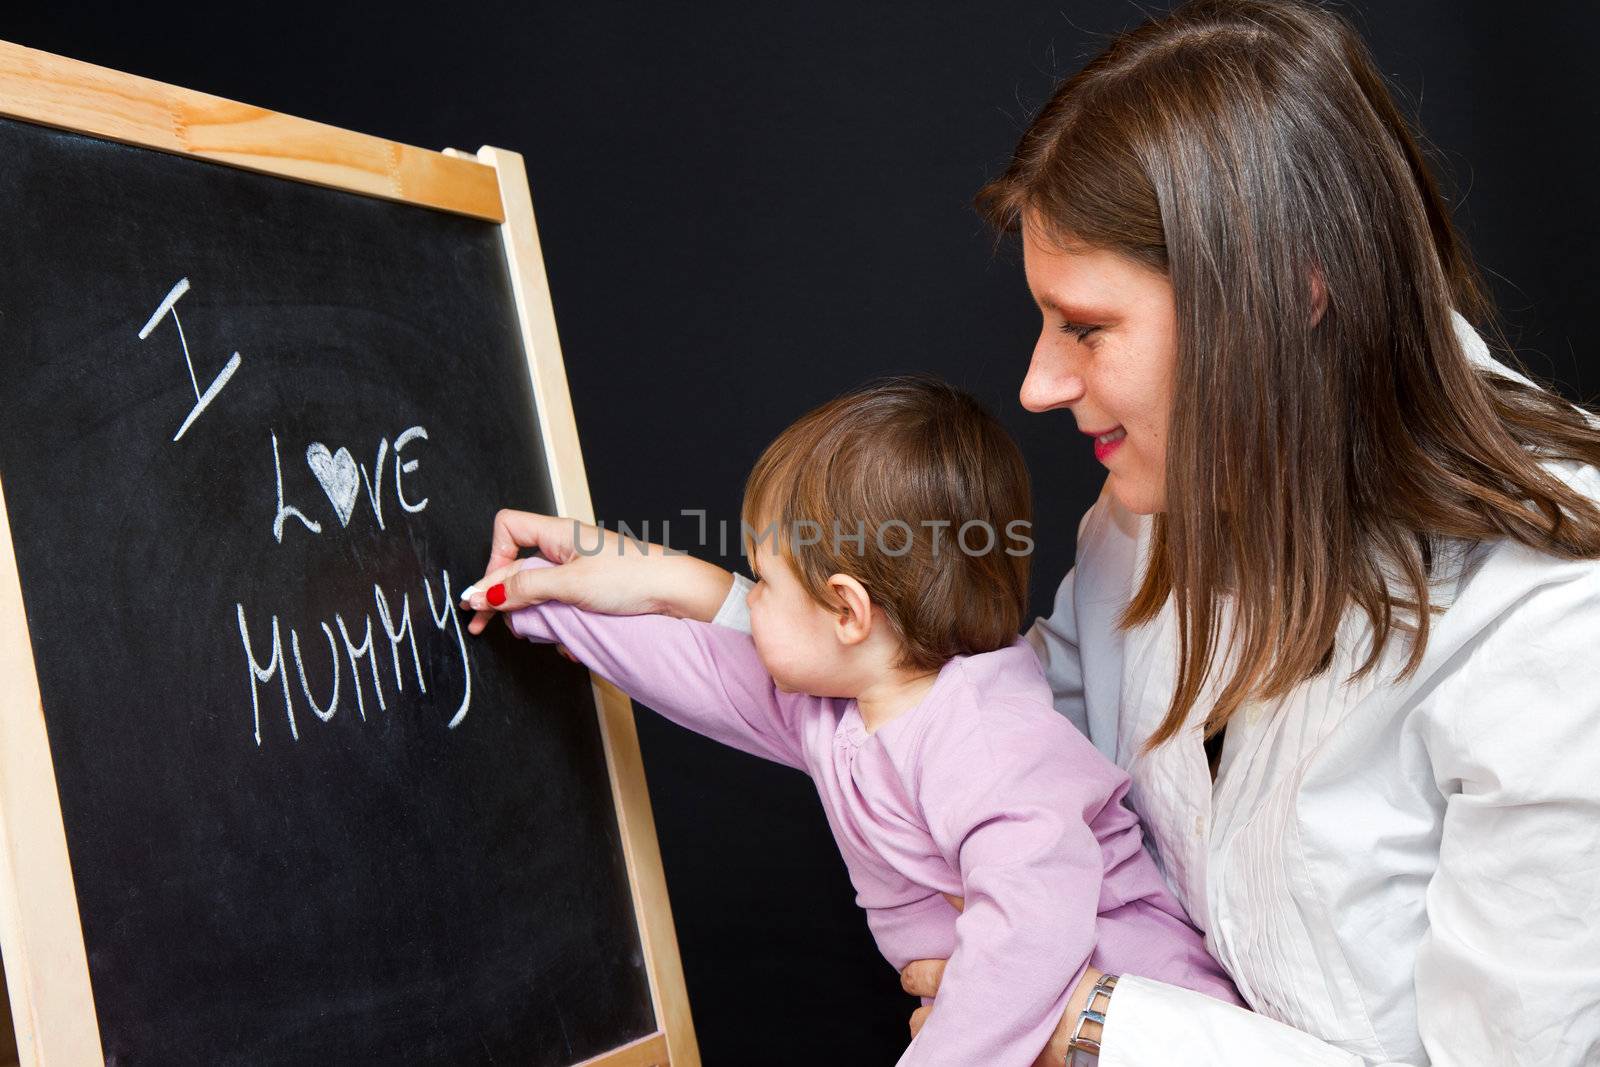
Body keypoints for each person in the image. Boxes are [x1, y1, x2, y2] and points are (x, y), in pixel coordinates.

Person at [468, 0, 1600, 1062]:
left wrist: (1092, 1017)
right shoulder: (1150, 506)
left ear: (1293, 294)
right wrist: (675, 589)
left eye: (1087, 326)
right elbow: (954, 707)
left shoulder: (1555, 624)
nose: (1038, 384)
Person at [465, 378, 1241, 1066]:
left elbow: (1029, 938)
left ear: (848, 609)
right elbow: (698, 671)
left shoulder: (989, 737)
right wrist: (539, 597)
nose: (748, 594)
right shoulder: (842, 713)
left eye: (762, 579)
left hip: (1152, 1017)